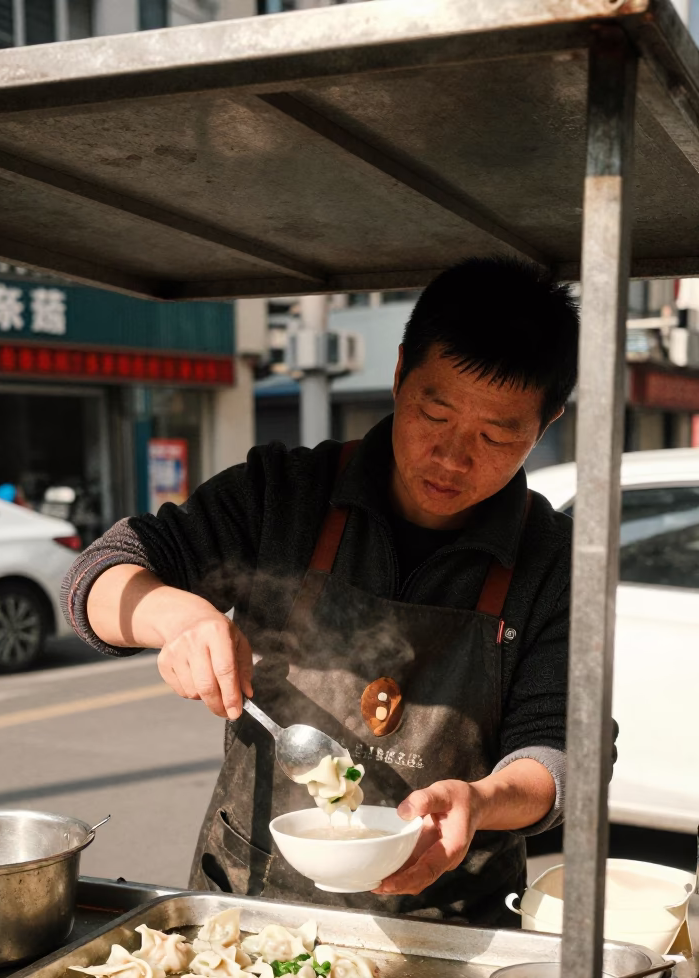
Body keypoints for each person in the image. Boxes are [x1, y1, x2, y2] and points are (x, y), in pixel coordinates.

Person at [63, 257, 579, 925]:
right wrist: (174, 616)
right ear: (398, 376)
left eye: (496, 436)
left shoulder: (553, 560)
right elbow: (101, 574)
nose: (451, 458)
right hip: (246, 907)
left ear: (545, 423)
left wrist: (483, 799)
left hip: (447, 926)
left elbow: (562, 752)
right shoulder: (285, 493)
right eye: (435, 413)